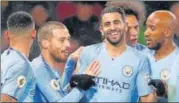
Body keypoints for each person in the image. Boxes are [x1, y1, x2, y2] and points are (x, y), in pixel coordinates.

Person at [64, 6, 158, 102]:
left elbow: (146, 100)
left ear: (125, 26)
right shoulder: (88, 53)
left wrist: (157, 91)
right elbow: (72, 92)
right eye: (107, 24)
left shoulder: (141, 59)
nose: (112, 28)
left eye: (116, 22)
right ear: (102, 29)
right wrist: (75, 83)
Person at [31, 21, 100, 102]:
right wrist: (83, 85)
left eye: (68, 39)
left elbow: (61, 94)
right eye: (62, 40)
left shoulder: (49, 69)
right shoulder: (38, 69)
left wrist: (70, 63)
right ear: (45, 44)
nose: (68, 45)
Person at [1, 11, 36, 102]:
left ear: (7, 34)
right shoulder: (21, 65)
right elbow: (6, 100)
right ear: (33, 33)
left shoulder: (4, 57)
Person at [144, 10, 179, 102]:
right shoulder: (141, 55)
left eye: (152, 28)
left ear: (167, 32)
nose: (146, 33)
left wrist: (165, 92)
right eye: (146, 28)